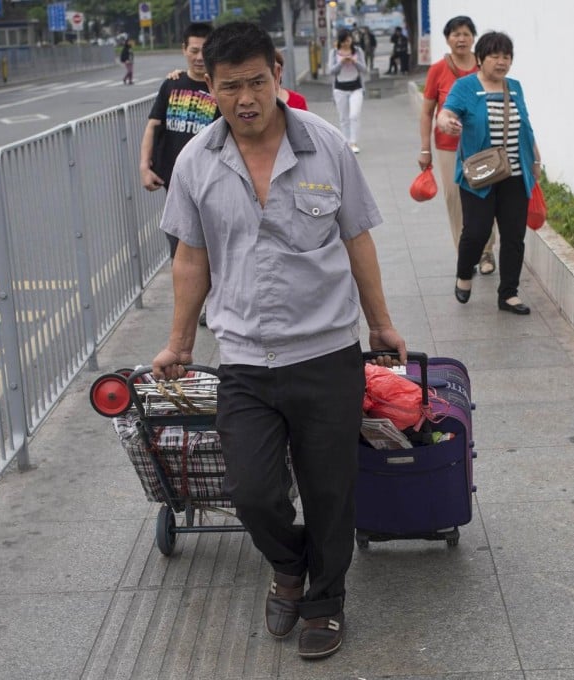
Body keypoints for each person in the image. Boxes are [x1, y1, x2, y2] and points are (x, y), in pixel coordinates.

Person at [151, 21, 406, 660]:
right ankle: (287, 565)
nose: (245, 99)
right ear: (209, 87)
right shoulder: (194, 162)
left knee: (329, 489)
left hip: (325, 352)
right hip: (242, 357)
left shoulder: (325, 147)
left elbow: (357, 240)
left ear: (277, 77)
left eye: (256, 83)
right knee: (253, 493)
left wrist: (381, 324)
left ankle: (325, 600)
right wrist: (180, 344)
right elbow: (190, 258)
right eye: (230, 86)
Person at [437, 31, 542, 313]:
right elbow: (446, 113)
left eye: (506, 56)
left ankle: (508, 294)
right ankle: (463, 274)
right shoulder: (465, 87)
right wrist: (446, 122)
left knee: (513, 236)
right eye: (495, 56)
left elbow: (525, 126)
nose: (501, 62)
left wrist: (536, 160)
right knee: (476, 232)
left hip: (515, 175)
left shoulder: (515, 87)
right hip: (479, 175)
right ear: (480, 58)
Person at [419, 15, 495, 275]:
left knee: (486, 195)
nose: (461, 38)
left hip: (483, 144)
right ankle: (466, 255)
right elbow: (427, 111)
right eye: (455, 34)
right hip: (448, 146)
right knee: (455, 200)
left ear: (473, 37)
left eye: (465, 33)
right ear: (447, 39)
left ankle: (487, 252)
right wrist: (425, 148)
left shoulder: (485, 65)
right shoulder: (437, 70)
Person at [139, 22, 218, 259]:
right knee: (180, 246)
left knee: (212, 246)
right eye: (193, 50)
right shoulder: (172, 84)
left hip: (210, 180)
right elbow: (153, 125)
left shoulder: (220, 85)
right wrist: (144, 166)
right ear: (184, 49)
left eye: (205, 50)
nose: (199, 57)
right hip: (174, 181)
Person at [328, 29, 367, 153]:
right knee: (343, 118)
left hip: (356, 87)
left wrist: (355, 61)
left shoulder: (358, 51)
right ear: (340, 41)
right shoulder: (334, 53)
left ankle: (353, 142)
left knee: (354, 115)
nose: (346, 43)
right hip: (340, 89)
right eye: (344, 41)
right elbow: (331, 71)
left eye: (348, 40)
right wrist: (341, 62)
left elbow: (364, 69)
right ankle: (346, 143)